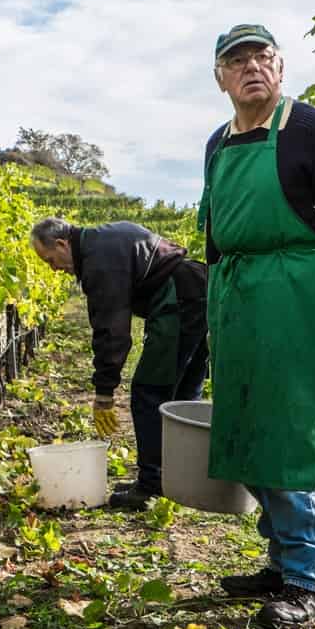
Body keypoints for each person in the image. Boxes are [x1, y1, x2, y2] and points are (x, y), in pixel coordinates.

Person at [198, 24, 315, 629]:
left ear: (280, 70)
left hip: (291, 290)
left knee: (289, 430)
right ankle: (280, 562)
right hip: (234, 294)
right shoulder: (218, 143)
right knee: (247, 425)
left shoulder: (310, 129)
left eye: (263, 57)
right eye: (237, 60)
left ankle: (309, 581)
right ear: (220, 77)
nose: (251, 67)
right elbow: (215, 229)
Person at [30, 218, 209, 510]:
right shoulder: (102, 239)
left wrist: (104, 392)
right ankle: (178, 479)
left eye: (51, 260)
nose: (54, 268)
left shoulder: (98, 259)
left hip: (179, 302)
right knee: (183, 395)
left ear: (62, 244)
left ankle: (152, 486)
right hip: (198, 292)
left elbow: (111, 330)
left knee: (148, 392)